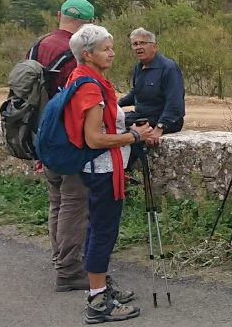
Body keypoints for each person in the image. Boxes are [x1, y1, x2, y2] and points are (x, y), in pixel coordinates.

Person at [62, 24, 150, 324]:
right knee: (103, 230)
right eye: (106, 49)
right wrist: (133, 137)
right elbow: (94, 139)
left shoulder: (83, 78)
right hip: (103, 168)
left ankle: (98, 288)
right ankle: (98, 300)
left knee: (96, 228)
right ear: (87, 54)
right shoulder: (89, 86)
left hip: (98, 168)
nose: (113, 53)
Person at [38, 0, 94, 293]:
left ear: (59, 15)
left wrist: (38, 146)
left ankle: (59, 259)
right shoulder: (76, 54)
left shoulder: (38, 48)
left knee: (56, 203)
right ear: (90, 23)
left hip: (45, 139)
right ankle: (69, 270)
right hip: (69, 143)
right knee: (74, 204)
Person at [121, 27, 185, 137]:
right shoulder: (139, 67)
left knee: (129, 133)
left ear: (154, 46)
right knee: (112, 122)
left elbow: (175, 103)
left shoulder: (168, 68)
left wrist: (159, 127)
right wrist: (114, 106)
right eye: (135, 44)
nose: (139, 47)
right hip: (142, 117)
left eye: (143, 43)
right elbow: (136, 92)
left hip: (165, 120)